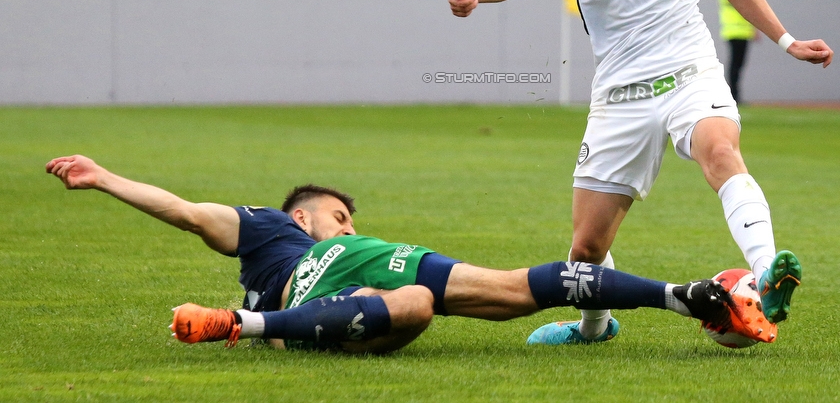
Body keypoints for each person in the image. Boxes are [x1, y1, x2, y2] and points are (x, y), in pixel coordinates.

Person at [447, 0, 833, 346]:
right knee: (586, 249)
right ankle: (592, 329)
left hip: (690, 74)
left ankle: (769, 272)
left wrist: (787, 40)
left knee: (720, 150)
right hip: (621, 96)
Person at [45, 154, 772, 355]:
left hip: (376, 267)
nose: (347, 216)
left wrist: (359, 239)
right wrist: (105, 178)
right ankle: (237, 323)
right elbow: (183, 210)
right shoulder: (273, 231)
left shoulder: (356, 236)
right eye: (340, 211)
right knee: (419, 305)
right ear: (308, 212)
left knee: (515, 287)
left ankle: (686, 297)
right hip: (314, 288)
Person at [718, 0, 757, 103]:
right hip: (736, 32)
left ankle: (735, 95)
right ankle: (734, 96)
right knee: (735, 66)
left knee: (737, 66)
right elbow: (746, 6)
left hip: (739, 31)